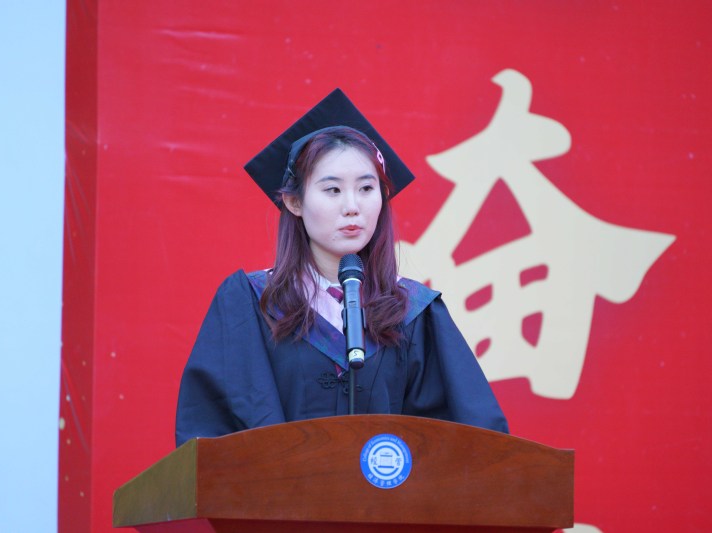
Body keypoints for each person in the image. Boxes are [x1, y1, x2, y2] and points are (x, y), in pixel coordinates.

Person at [175, 89, 508, 447]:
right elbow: (211, 437)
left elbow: (469, 439)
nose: (352, 206)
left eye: (366, 188)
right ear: (294, 202)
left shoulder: (413, 311)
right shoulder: (252, 304)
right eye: (332, 190)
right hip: (279, 484)